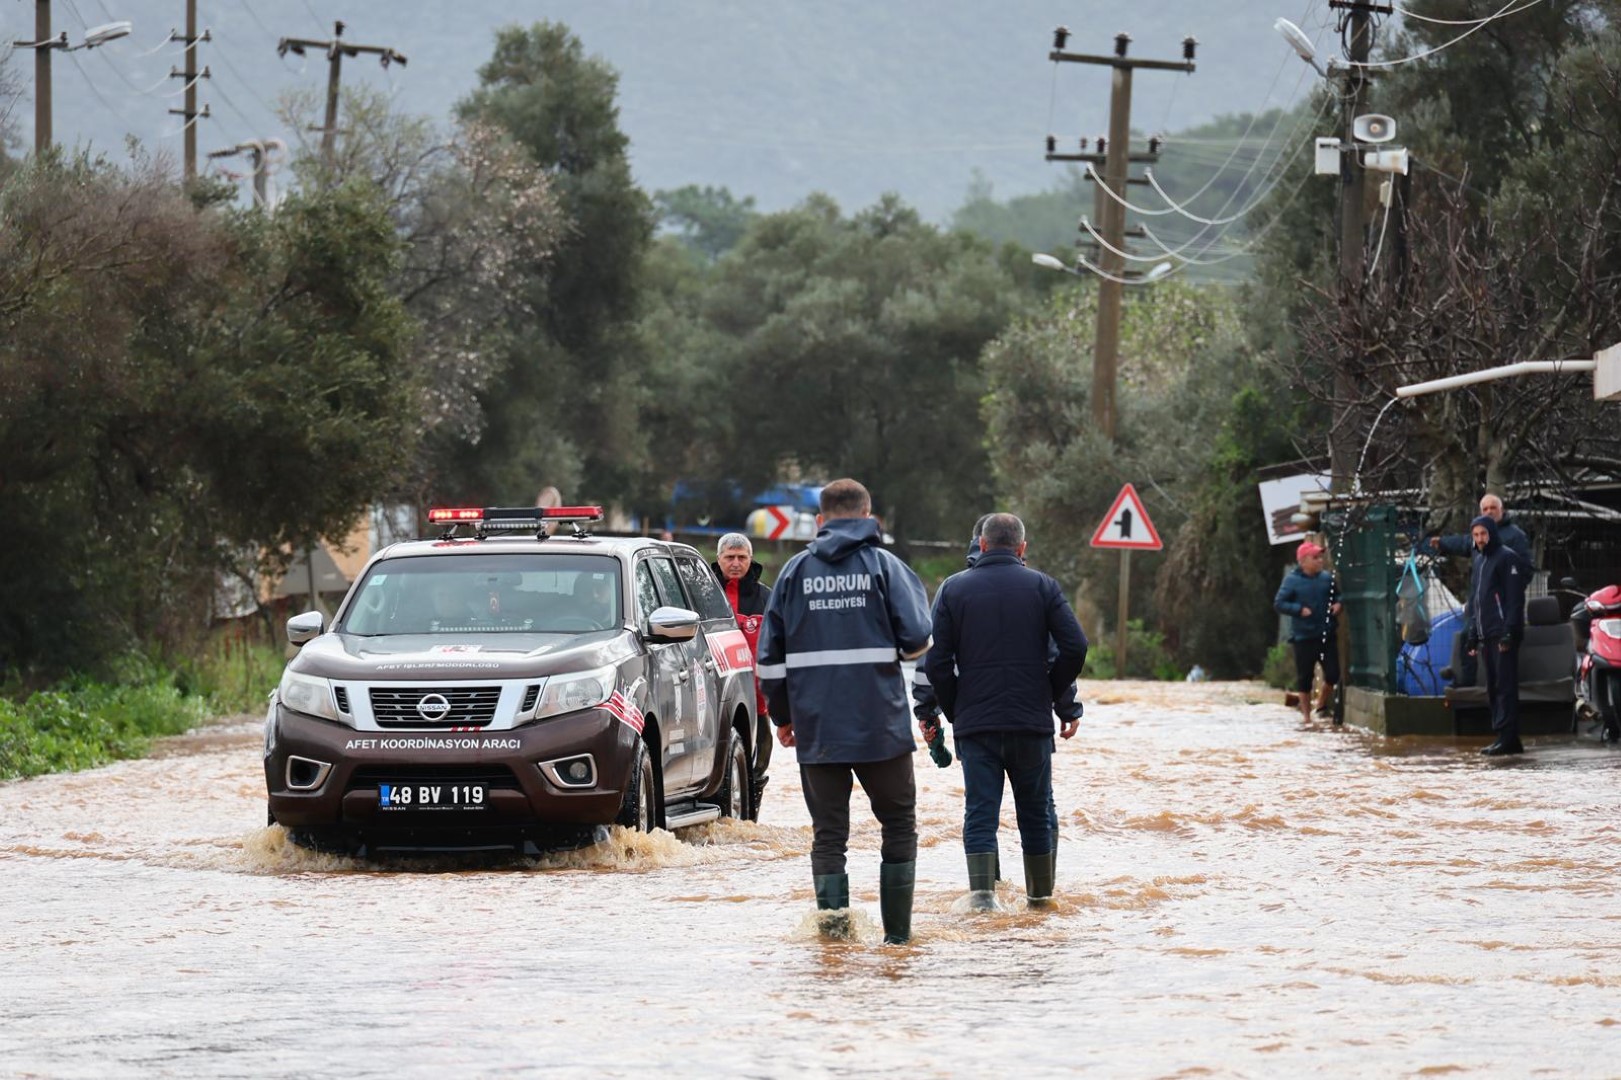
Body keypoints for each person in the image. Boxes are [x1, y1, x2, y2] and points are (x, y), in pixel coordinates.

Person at [756, 478, 932, 944]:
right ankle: (897, 942)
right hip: (882, 727)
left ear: (820, 521)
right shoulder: (886, 568)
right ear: (870, 518)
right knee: (898, 826)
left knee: (829, 836)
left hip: (818, 727)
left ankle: (834, 948)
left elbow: (768, 661)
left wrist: (784, 716)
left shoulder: (793, 573)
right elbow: (917, 639)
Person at [922, 513, 1088, 910]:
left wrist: (954, 709)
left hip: (975, 725)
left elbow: (936, 663)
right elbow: (1075, 647)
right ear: (1022, 548)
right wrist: (1052, 693)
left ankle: (982, 899)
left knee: (980, 811)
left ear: (981, 545)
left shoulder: (952, 590)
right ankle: (1041, 899)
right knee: (1035, 809)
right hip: (1030, 722)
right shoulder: (1042, 586)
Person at [1429, 493, 1532, 688]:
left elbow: (1526, 569)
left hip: (1501, 607)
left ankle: (1500, 687)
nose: (1489, 512)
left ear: (1502, 510)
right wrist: (1442, 543)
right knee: (1467, 636)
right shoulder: (1479, 537)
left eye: (1493, 508)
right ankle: (1466, 682)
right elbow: (1463, 543)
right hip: (1479, 603)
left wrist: (1509, 591)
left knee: (1499, 647)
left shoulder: (1515, 536)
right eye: (1485, 509)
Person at [1467, 514, 1530, 756]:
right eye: (1476, 535)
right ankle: (1505, 736)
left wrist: (1509, 633)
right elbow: (1475, 602)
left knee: (1505, 686)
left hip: (1502, 634)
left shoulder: (1507, 558)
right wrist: (1473, 634)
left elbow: (1515, 600)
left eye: (1483, 534)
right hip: (1486, 634)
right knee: (1493, 686)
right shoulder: (1479, 561)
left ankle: (1508, 735)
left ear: (1492, 533)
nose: (1480, 539)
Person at [1273, 540, 1343, 726]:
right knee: (1304, 678)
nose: (1320, 561)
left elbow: (1338, 595)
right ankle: (1306, 717)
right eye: (1315, 558)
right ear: (1303, 561)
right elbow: (1279, 603)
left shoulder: (1326, 578)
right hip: (1303, 638)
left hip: (1327, 635)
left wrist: (1338, 604)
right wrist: (1298, 609)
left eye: (1320, 557)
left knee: (1333, 674)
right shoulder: (1292, 581)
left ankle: (1320, 703)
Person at [713, 534, 772, 727]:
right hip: (714, 696)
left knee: (761, 749)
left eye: (742, 557)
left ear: (751, 559)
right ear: (719, 559)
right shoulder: (703, 596)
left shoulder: (767, 598)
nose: (736, 563)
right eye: (730, 557)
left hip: (757, 700)